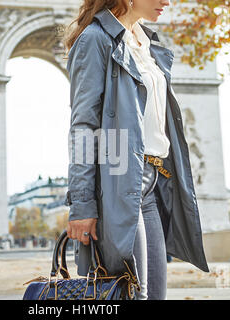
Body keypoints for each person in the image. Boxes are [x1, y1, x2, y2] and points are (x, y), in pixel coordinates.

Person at [63, 0, 209, 300]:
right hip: (120, 178)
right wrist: (82, 203)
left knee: (154, 294)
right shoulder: (95, 39)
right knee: (132, 293)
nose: (166, 1)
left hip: (154, 180)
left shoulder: (144, 42)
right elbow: (83, 127)